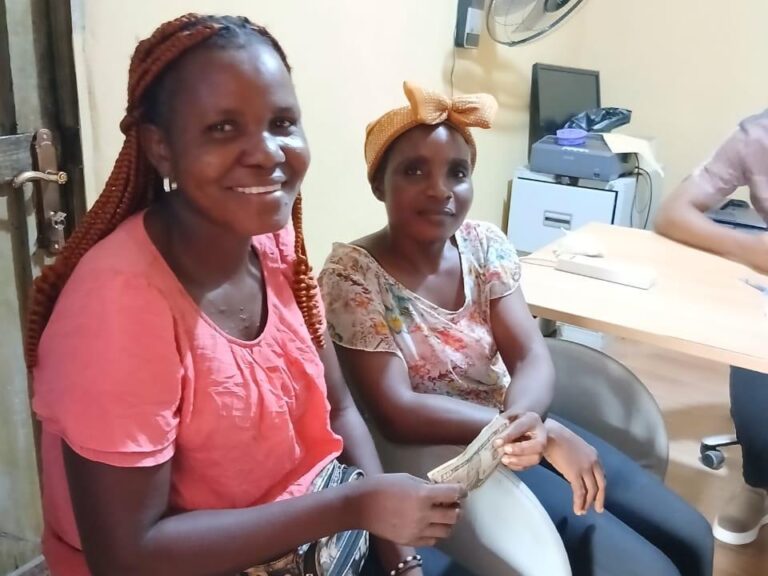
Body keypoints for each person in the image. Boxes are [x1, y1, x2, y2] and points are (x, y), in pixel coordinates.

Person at [26, 15, 469, 576]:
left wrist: (397, 555)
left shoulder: (272, 244)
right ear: (161, 148)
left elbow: (339, 408)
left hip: (324, 543)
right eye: (222, 128)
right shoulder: (119, 306)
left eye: (282, 123)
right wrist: (353, 507)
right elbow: (128, 555)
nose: (266, 153)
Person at [319, 81, 715, 576]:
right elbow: (396, 411)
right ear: (379, 184)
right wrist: (539, 432)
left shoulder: (483, 245)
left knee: (692, 537)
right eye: (414, 170)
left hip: (516, 426)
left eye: (457, 172)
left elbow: (528, 355)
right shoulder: (351, 276)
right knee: (647, 569)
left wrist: (530, 423)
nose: (440, 189)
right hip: (446, 452)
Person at [655, 110, 768, 545]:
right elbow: (673, 213)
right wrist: (748, 249)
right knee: (755, 375)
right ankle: (759, 483)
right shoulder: (755, 136)